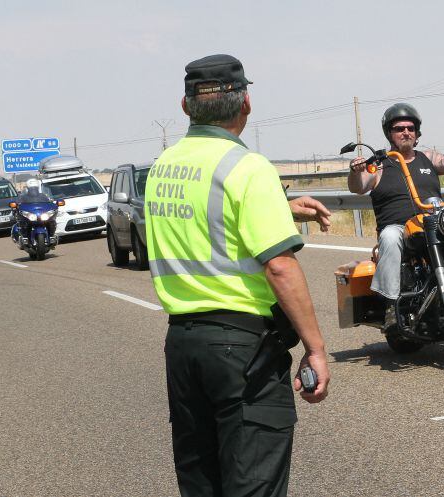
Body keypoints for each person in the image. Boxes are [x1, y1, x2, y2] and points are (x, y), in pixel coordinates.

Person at [145, 54, 330, 497]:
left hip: (184, 346)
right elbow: (280, 265)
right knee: (252, 485)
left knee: (202, 483)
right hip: (241, 350)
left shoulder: (162, 167)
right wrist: (316, 349)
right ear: (245, 103)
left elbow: (207, 220)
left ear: (186, 106)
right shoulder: (248, 168)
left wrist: (280, 209)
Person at [348, 103, 444, 326]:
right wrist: (356, 171)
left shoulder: (427, 157)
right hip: (401, 230)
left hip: (434, 222)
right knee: (389, 237)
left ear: (417, 132)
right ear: (389, 133)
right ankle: (391, 305)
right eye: (399, 128)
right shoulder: (379, 165)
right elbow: (358, 187)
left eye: (410, 128)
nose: (406, 132)